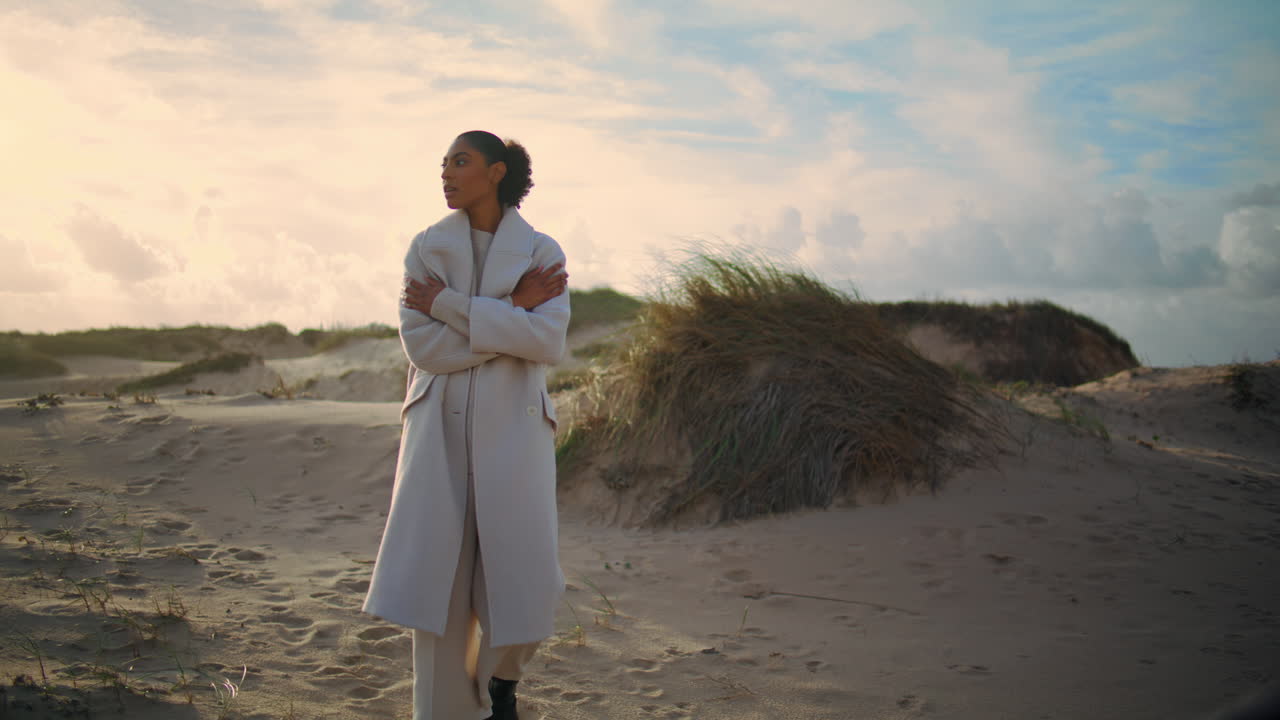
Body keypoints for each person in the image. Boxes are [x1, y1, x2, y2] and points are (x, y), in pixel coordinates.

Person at [362, 130, 570, 720]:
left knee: (527, 580)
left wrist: (452, 308)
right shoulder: (427, 247)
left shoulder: (541, 251)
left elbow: (548, 340)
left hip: (517, 429)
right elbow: (424, 349)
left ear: (496, 171)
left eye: (461, 162)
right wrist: (513, 314)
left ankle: (501, 681)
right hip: (439, 432)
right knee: (440, 586)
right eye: (444, 164)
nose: (447, 174)